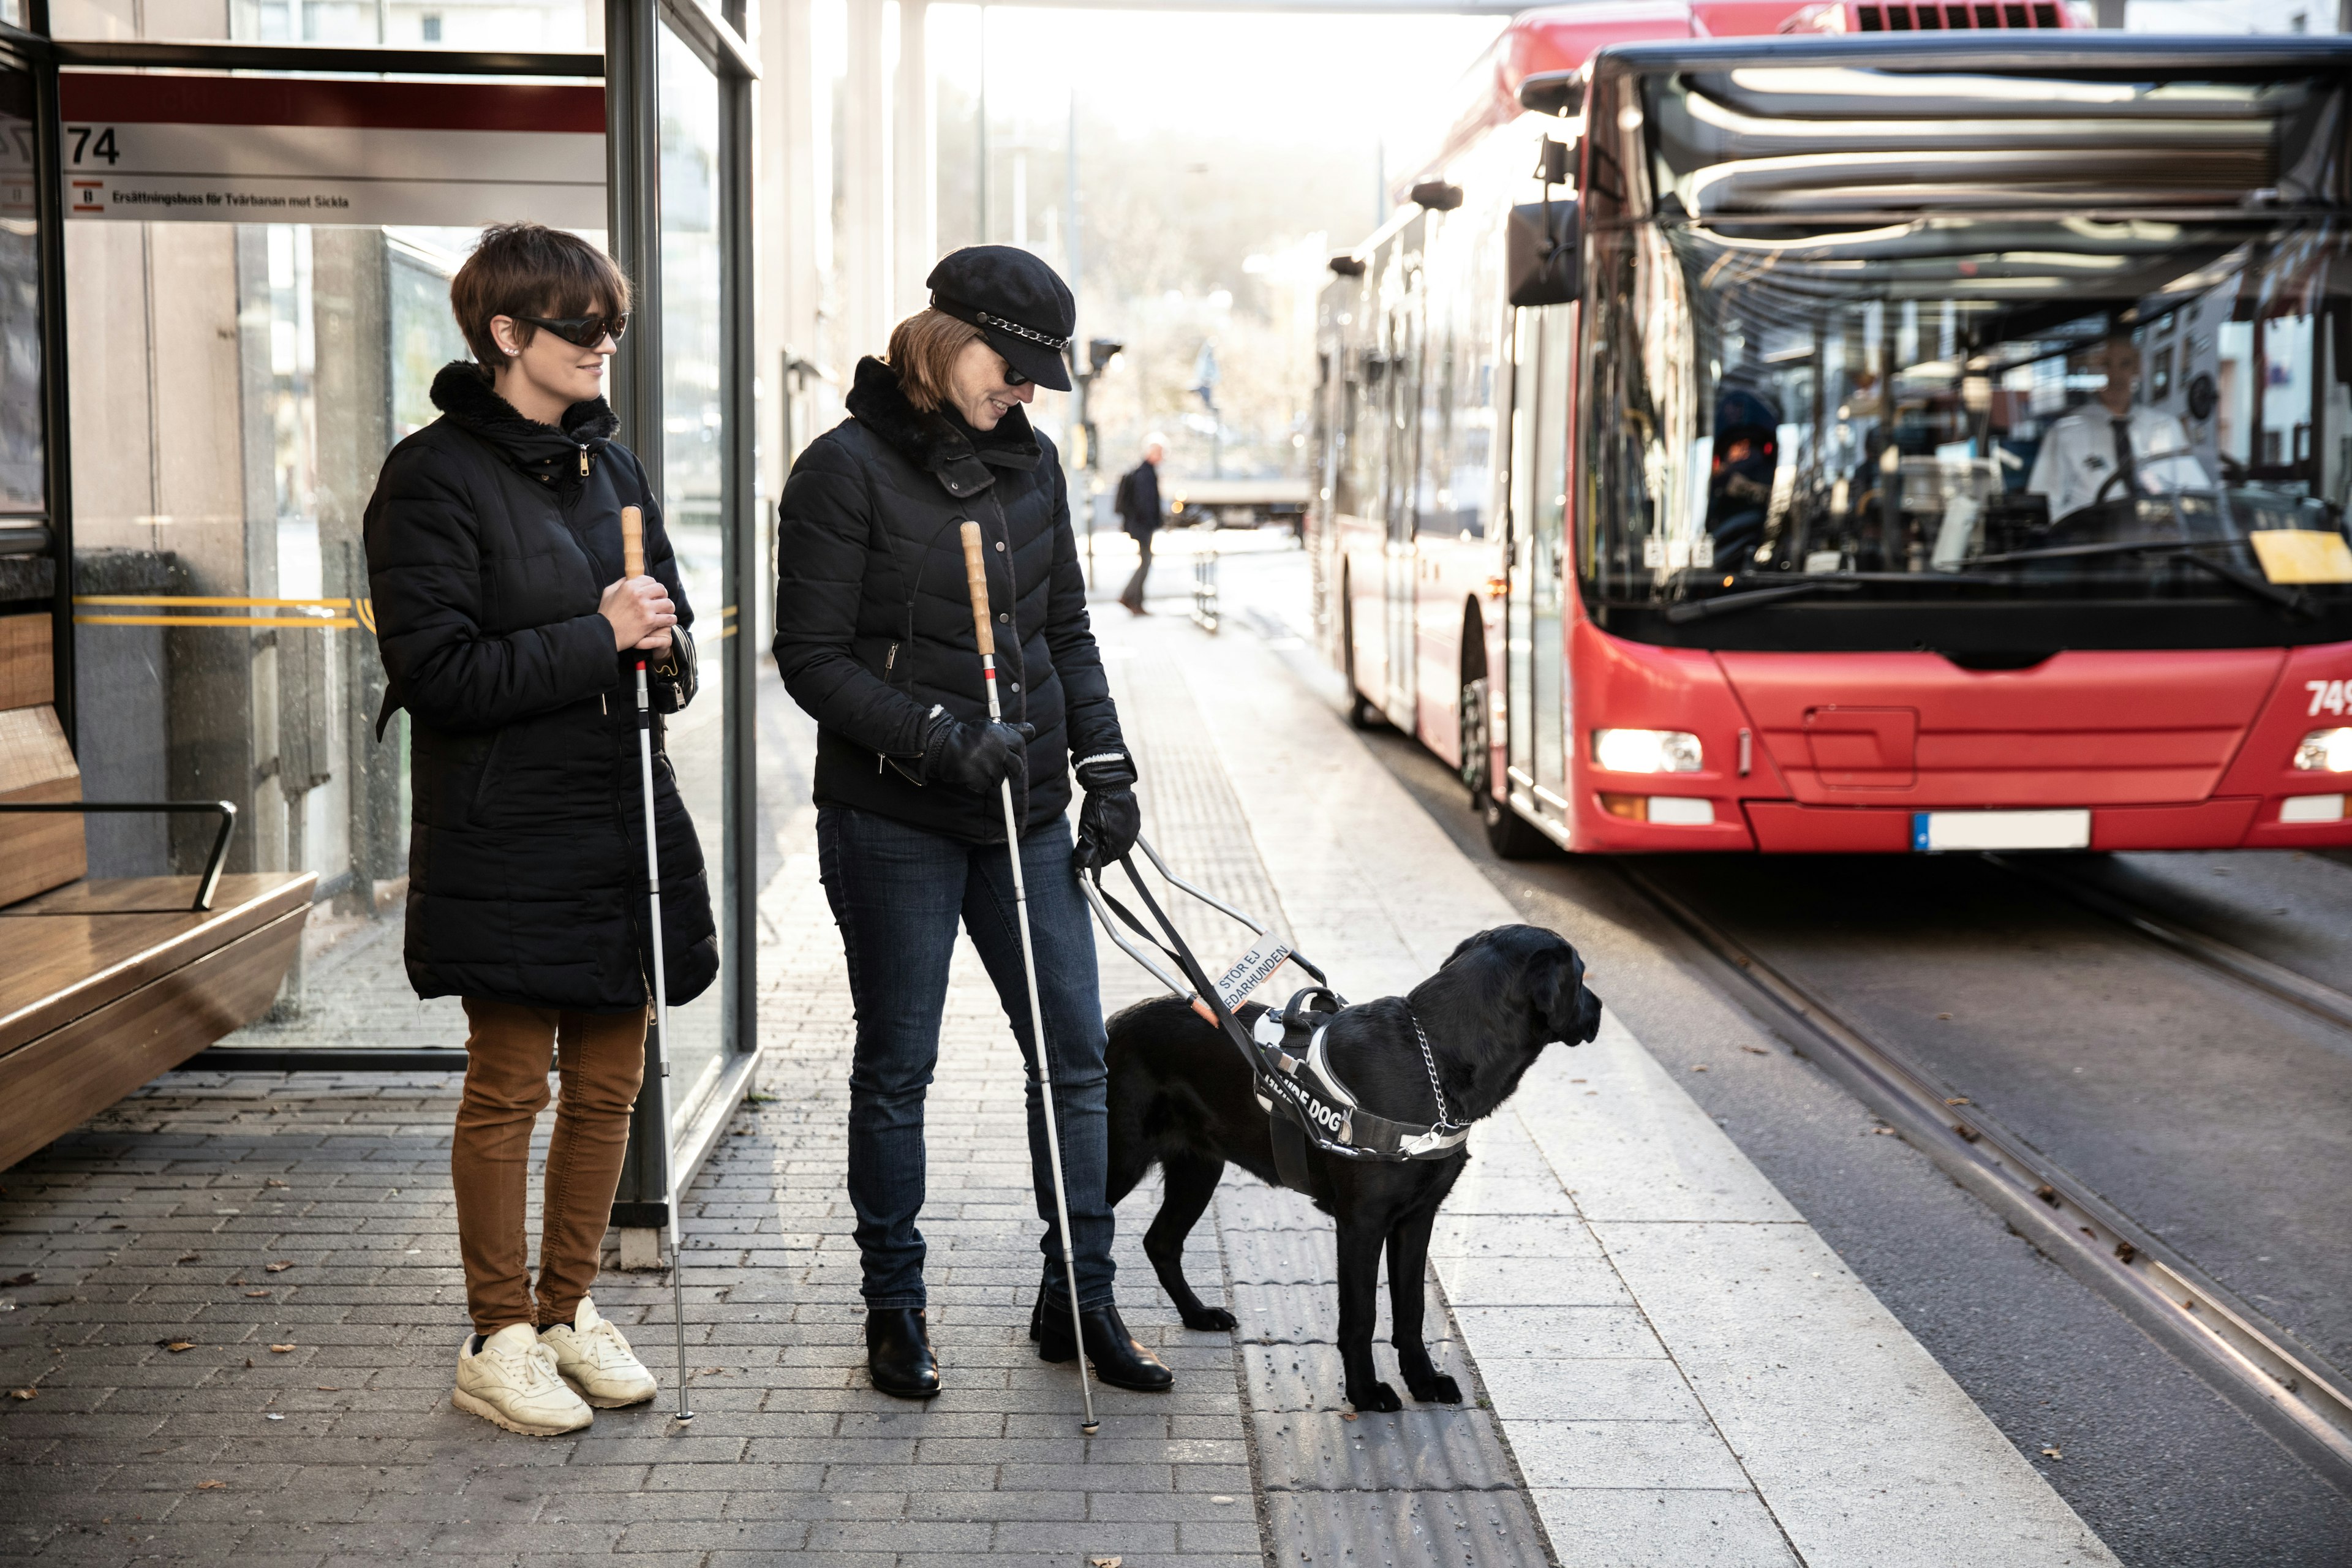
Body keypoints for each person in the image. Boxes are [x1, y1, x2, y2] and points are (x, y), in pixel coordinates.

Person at [771, 245, 1167, 1401]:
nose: (1029, 392)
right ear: (947, 341)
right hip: (894, 816)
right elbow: (812, 660)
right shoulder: (841, 470)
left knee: (1079, 1060)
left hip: (1030, 811)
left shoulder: (1032, 466)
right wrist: (936, 734)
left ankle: (1080, 1300)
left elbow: (1066, 633)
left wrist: (1105, 762)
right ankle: (895, 1307)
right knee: (899, 1066)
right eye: (1016, 365)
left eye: (1042, 374)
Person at [363, 222, 718, 1437]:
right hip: (506, 827)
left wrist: (667, 649)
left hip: (616, 814)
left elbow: (665, 643)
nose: (603, 342)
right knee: (510, 1081)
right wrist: (603, 633)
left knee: (612, 1079)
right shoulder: (432, 475)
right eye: (581, 325)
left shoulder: (610, 469)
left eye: (611, 321)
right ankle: (496, 1331)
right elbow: (440, 673)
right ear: (508, 334)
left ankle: (567, 1311)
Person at [2026, 333, 2209, 522]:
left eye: (2125, 364)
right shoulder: (2066, 432)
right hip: (2092, 542)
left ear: (2138, 369)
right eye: (2106, 364)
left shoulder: (2164, 427)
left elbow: (2195, 494)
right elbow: (2046, 504)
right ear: (2093, 370)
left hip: (2156, 539)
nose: (2116, 375)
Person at [1114, 435, 1167, 614]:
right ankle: (1131, 598)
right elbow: (1145, 503)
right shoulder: (1146, 474)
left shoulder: (1144, 472)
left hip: (1141, 525)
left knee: (1145, 562)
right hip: (1143, 526)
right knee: (1146, 562)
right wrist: (1153, 522)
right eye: (1160, 452)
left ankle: (1134, 600)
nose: (1163, 456)